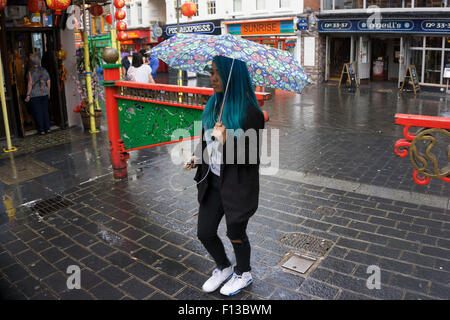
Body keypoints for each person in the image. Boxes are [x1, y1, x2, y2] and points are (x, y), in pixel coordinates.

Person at [184, 56, 265, 296]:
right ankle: (224, 267)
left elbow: (251, 158)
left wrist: (228, 141)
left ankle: (244, 272)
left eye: (219, 72)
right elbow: (206, 141)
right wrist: (197, 156)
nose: (213, 77)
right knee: (205, 232)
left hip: (238, 186)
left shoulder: (251, 112)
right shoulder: (214, 105)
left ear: (234, 75)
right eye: (211, 71)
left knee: (235, 233)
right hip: (213, 181)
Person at [24, 53, 51, 135]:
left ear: (31, 62)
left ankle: (41, 130)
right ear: (39, 61)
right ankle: (48, 128)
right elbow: (48, 82)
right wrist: (48, 92)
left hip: (35, 95)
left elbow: (30, 83)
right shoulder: (44, 70)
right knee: (45, 111)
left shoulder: (30, 72)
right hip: (44, 93)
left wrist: (28, 94)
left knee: (38, 112)